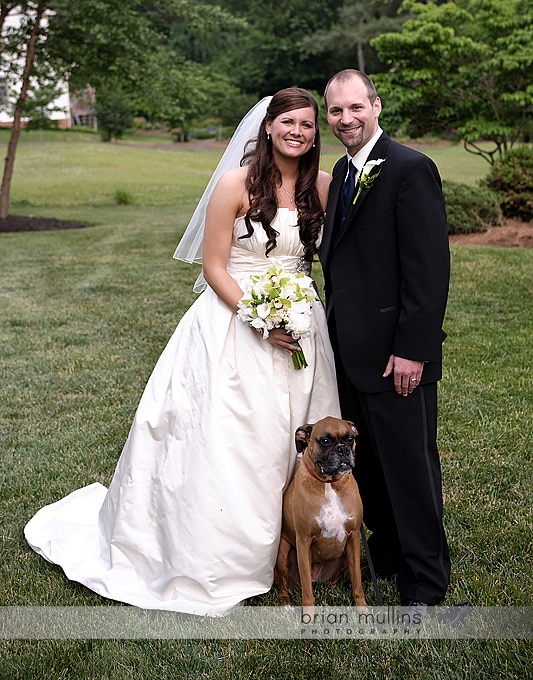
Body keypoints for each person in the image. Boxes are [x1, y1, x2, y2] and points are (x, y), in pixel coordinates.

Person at [25, 88, 342, 616]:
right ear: (267, 127)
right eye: (289, 122)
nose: (298, 132)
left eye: (308, 125)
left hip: (303, 324)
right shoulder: (235, 184)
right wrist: (260, 320)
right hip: (237, 323)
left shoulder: (324, 187)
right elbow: (214, 267)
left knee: (297, 439)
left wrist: (299, 313)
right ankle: (229, 559)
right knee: (233, 442)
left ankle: (302, 551)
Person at [320, 69, 451, 608]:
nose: (346, 119)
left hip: (397, 356)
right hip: (351, 353)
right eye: (336, 111)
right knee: (369, 466)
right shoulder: (342, 174)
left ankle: (425, 579)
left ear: (376, 105)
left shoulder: (410, 169)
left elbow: (428, 269)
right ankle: (390, 555)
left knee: (410, 469)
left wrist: (412, 350)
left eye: (356, 107)